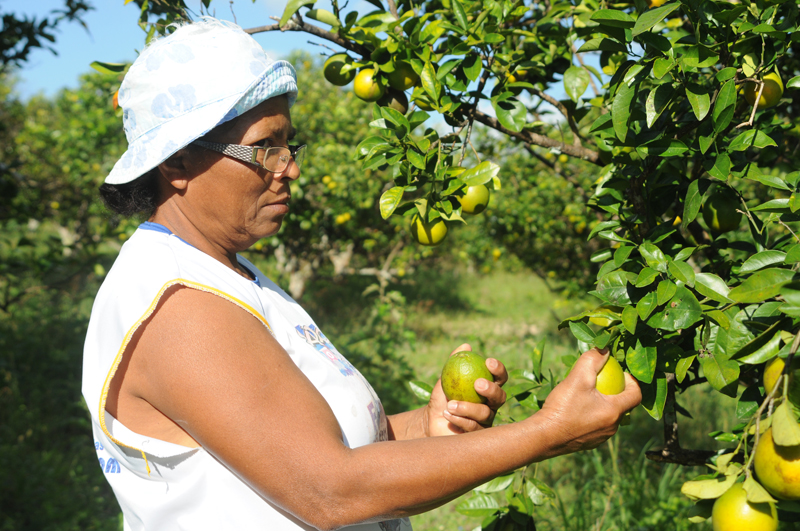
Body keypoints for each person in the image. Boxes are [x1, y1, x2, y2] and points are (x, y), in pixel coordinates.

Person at [82, 18, 641, 531]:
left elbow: (313, 447)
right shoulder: (179, 306)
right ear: (176, 163)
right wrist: (548, 432)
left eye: (288, 144)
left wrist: (428, 426)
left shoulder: (230, 274)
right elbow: (329, 490)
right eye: (264, 149)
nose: (289, 168)